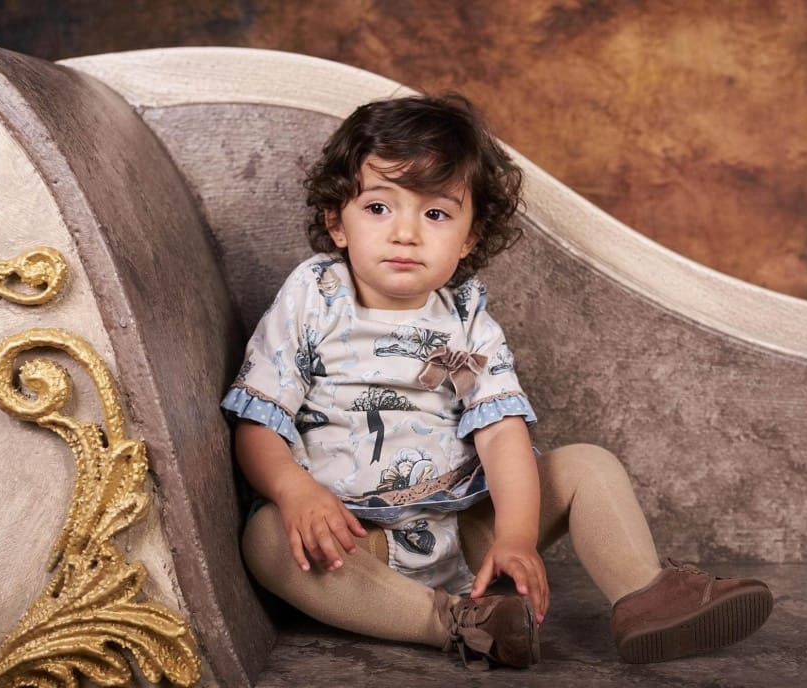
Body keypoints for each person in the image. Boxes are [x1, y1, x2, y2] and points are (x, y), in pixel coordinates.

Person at [222, 93, 773, 668]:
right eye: (380, 208)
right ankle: (452, 622)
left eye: (435, 214)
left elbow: (500, 431)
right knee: (266, 542)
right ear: (338, 220)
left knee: (589, 465)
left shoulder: (464, 319)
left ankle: (645, 594)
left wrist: (515, 534)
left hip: (467, 526)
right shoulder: (314, 296)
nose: (406, 233)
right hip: (357, 541)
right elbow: (260, 419)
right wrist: (293, 490)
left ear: (468, 239)